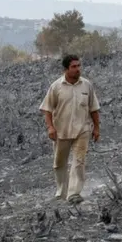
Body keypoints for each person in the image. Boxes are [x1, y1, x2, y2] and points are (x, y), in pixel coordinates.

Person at [39, 54, 100, 204]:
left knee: (79, 161)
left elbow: (94, 108)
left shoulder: (87, 85)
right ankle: (62, 193)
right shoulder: (56, 86)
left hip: (82, 129)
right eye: (74, 67)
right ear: (66, 69)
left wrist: (96, 128)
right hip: (61, 131)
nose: (78, 69)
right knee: (59, 163)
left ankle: (74, 194)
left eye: (79, 66)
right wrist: (50, 127)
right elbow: (47, 109)